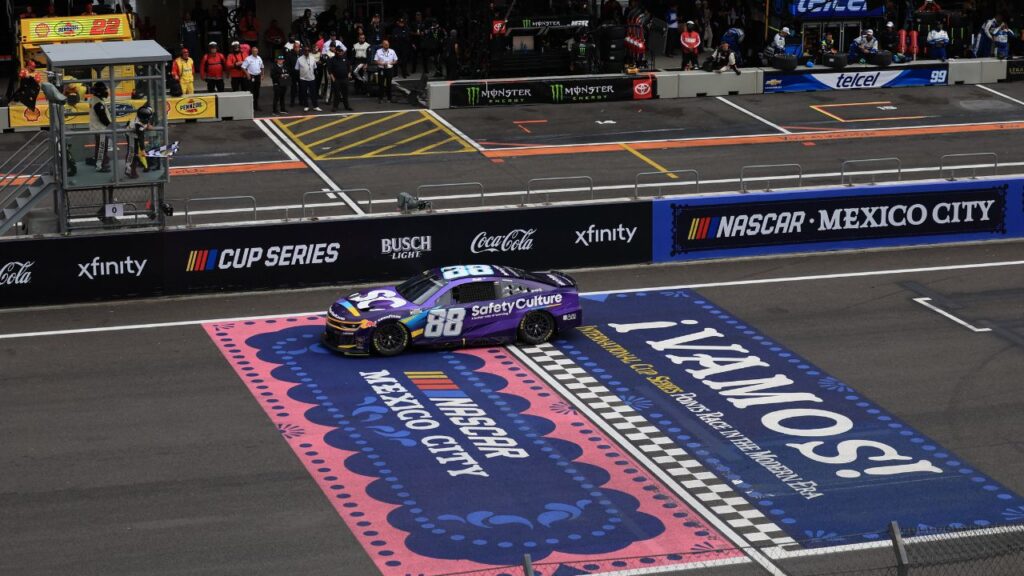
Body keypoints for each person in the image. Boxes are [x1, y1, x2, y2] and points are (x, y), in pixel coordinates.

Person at [88, 82, 112, 173]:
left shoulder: (95, 99)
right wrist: (109, 125)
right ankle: (99, 166)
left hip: (97, 128)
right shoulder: (98, 103)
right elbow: (102, 118)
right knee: (102, 147)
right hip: (100, 128)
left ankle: (100, 161)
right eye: (105, 90)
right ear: (100, 92)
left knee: (100, 146)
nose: (106, 92)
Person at [125, 103, 152, 179]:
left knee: (135, 153)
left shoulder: (142, 114)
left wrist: (148, 125)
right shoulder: (138, 125)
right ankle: (129, 170)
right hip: (132, 136)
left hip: (135, 134)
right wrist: (143, 150)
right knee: (132, 153)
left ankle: (134, 165)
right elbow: (141, 138)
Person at [326, 45, 352, 111]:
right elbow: (329, 70)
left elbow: (349, 67)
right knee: (336, 94)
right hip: (336, 79)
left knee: (345, 94)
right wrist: (333, 78)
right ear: (336, 51)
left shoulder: (345, 58)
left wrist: (349, 74)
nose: (340, 52)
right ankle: (335, 107)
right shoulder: (332, 59)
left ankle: (347, 106)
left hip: (345, 79)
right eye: (339, 51)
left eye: (341, 51)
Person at [296, 44, 321, 111]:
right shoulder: (299, 59)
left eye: (308, 51)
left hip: (312, 78)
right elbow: (297, 69)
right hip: (303, 79)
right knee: (304, 93)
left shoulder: (312, 58)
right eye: (305, 51)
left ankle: (315, 106)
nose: (307, 52)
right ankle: (306, 106)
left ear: (309, 51)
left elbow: (315, 67)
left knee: (313, 93)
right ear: (303, 52)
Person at [242, 46, 264, 111]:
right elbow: (243, 67)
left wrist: (262, 74)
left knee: (257, 92)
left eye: (256, 51)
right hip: (251, 77)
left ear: (258, 51)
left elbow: (262, 67)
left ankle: (256, 106)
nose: (255, 52)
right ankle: (250, 107)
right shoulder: (248, 59)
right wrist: (247, 74)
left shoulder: (259, 58)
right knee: (251, 92)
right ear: (251, 52)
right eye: (254, 51)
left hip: (258, 76)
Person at [286, 41, 303, 106]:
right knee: (293, 88)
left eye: (298, 47)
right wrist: (289, 72)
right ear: (293, 47)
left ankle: (301, 101)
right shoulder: (289, 54)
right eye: (295, 47)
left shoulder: (301, 54)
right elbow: (287, 65)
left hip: (301, 73)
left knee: (301, 88)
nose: (297, 48)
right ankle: (292, 102)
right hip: (293, 74)